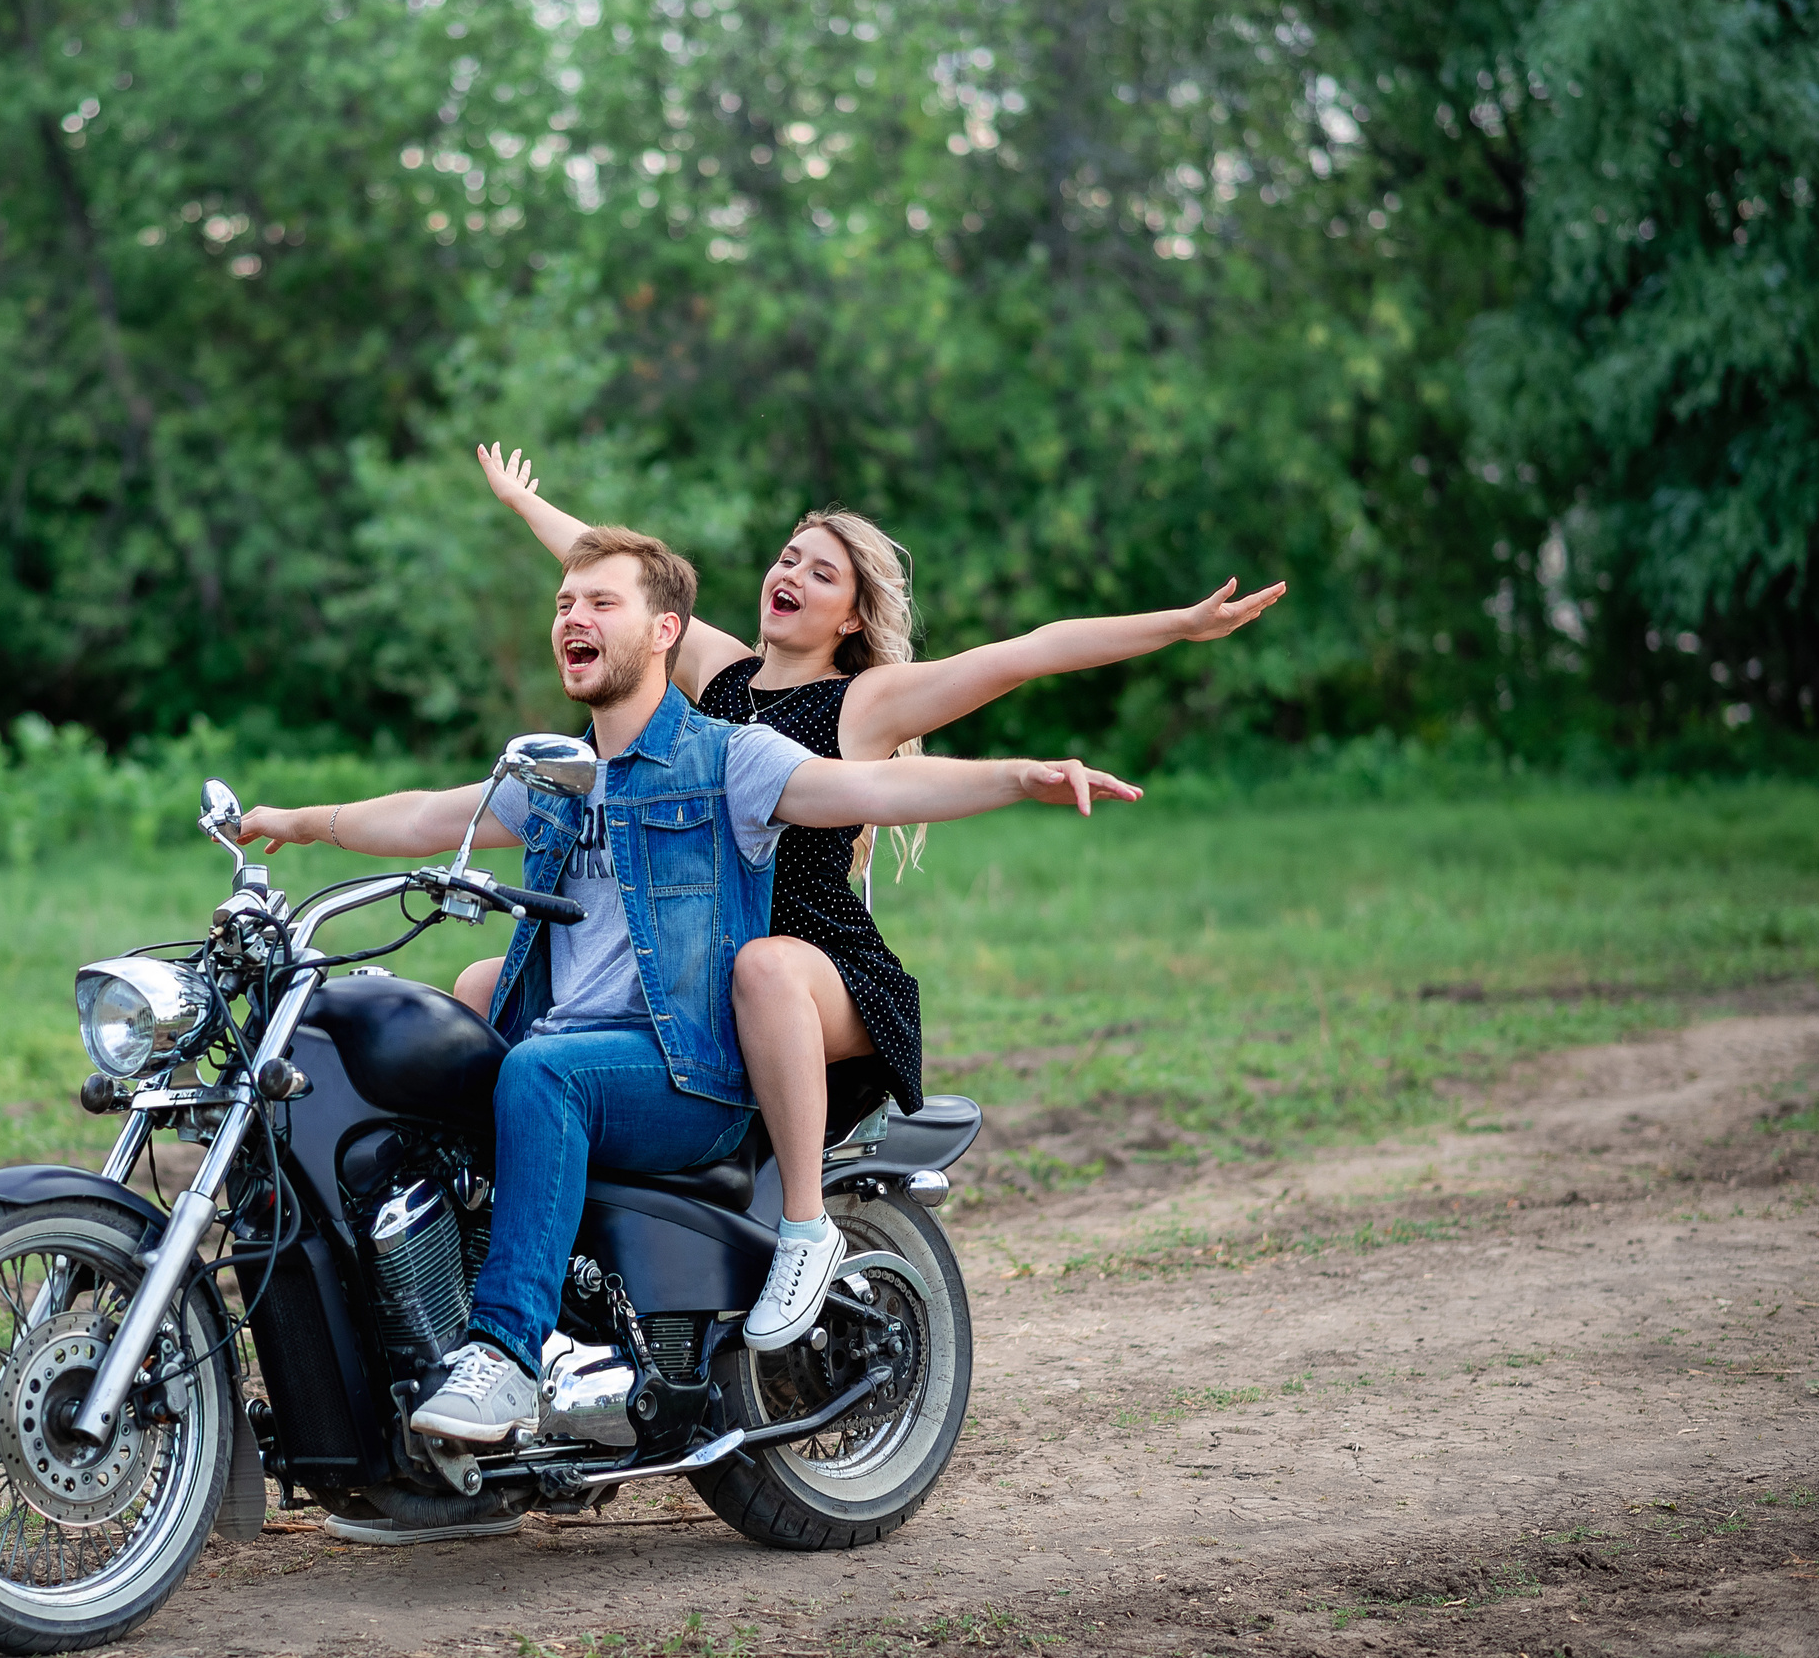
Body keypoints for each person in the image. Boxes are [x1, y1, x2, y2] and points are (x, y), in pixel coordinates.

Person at [237, 525, 1138, 1480]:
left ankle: (503, 1356)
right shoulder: (560, 778)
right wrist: (301, 821)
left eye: (600, 604)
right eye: (563, 605)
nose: (573, 618)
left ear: (666, 631)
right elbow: (427, 813)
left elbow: (865, 782)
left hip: (686, 1070)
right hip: (587, 1056)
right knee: (434, 1047)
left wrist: (1017, 778)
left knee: (542, 1073)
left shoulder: (730, 757)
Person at [458, 444, 1285, 1352]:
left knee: (762, 965)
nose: (793, 575)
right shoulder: (722, 678)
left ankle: (806, 1226)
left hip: (820, 970)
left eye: (824, 573)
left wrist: (1180, 625)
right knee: (492, 982)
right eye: (787, 557)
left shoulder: (863, 702)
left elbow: (1025, 653)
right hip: (697, 970)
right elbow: (614, 584)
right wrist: (520, 503)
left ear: (852, 615)